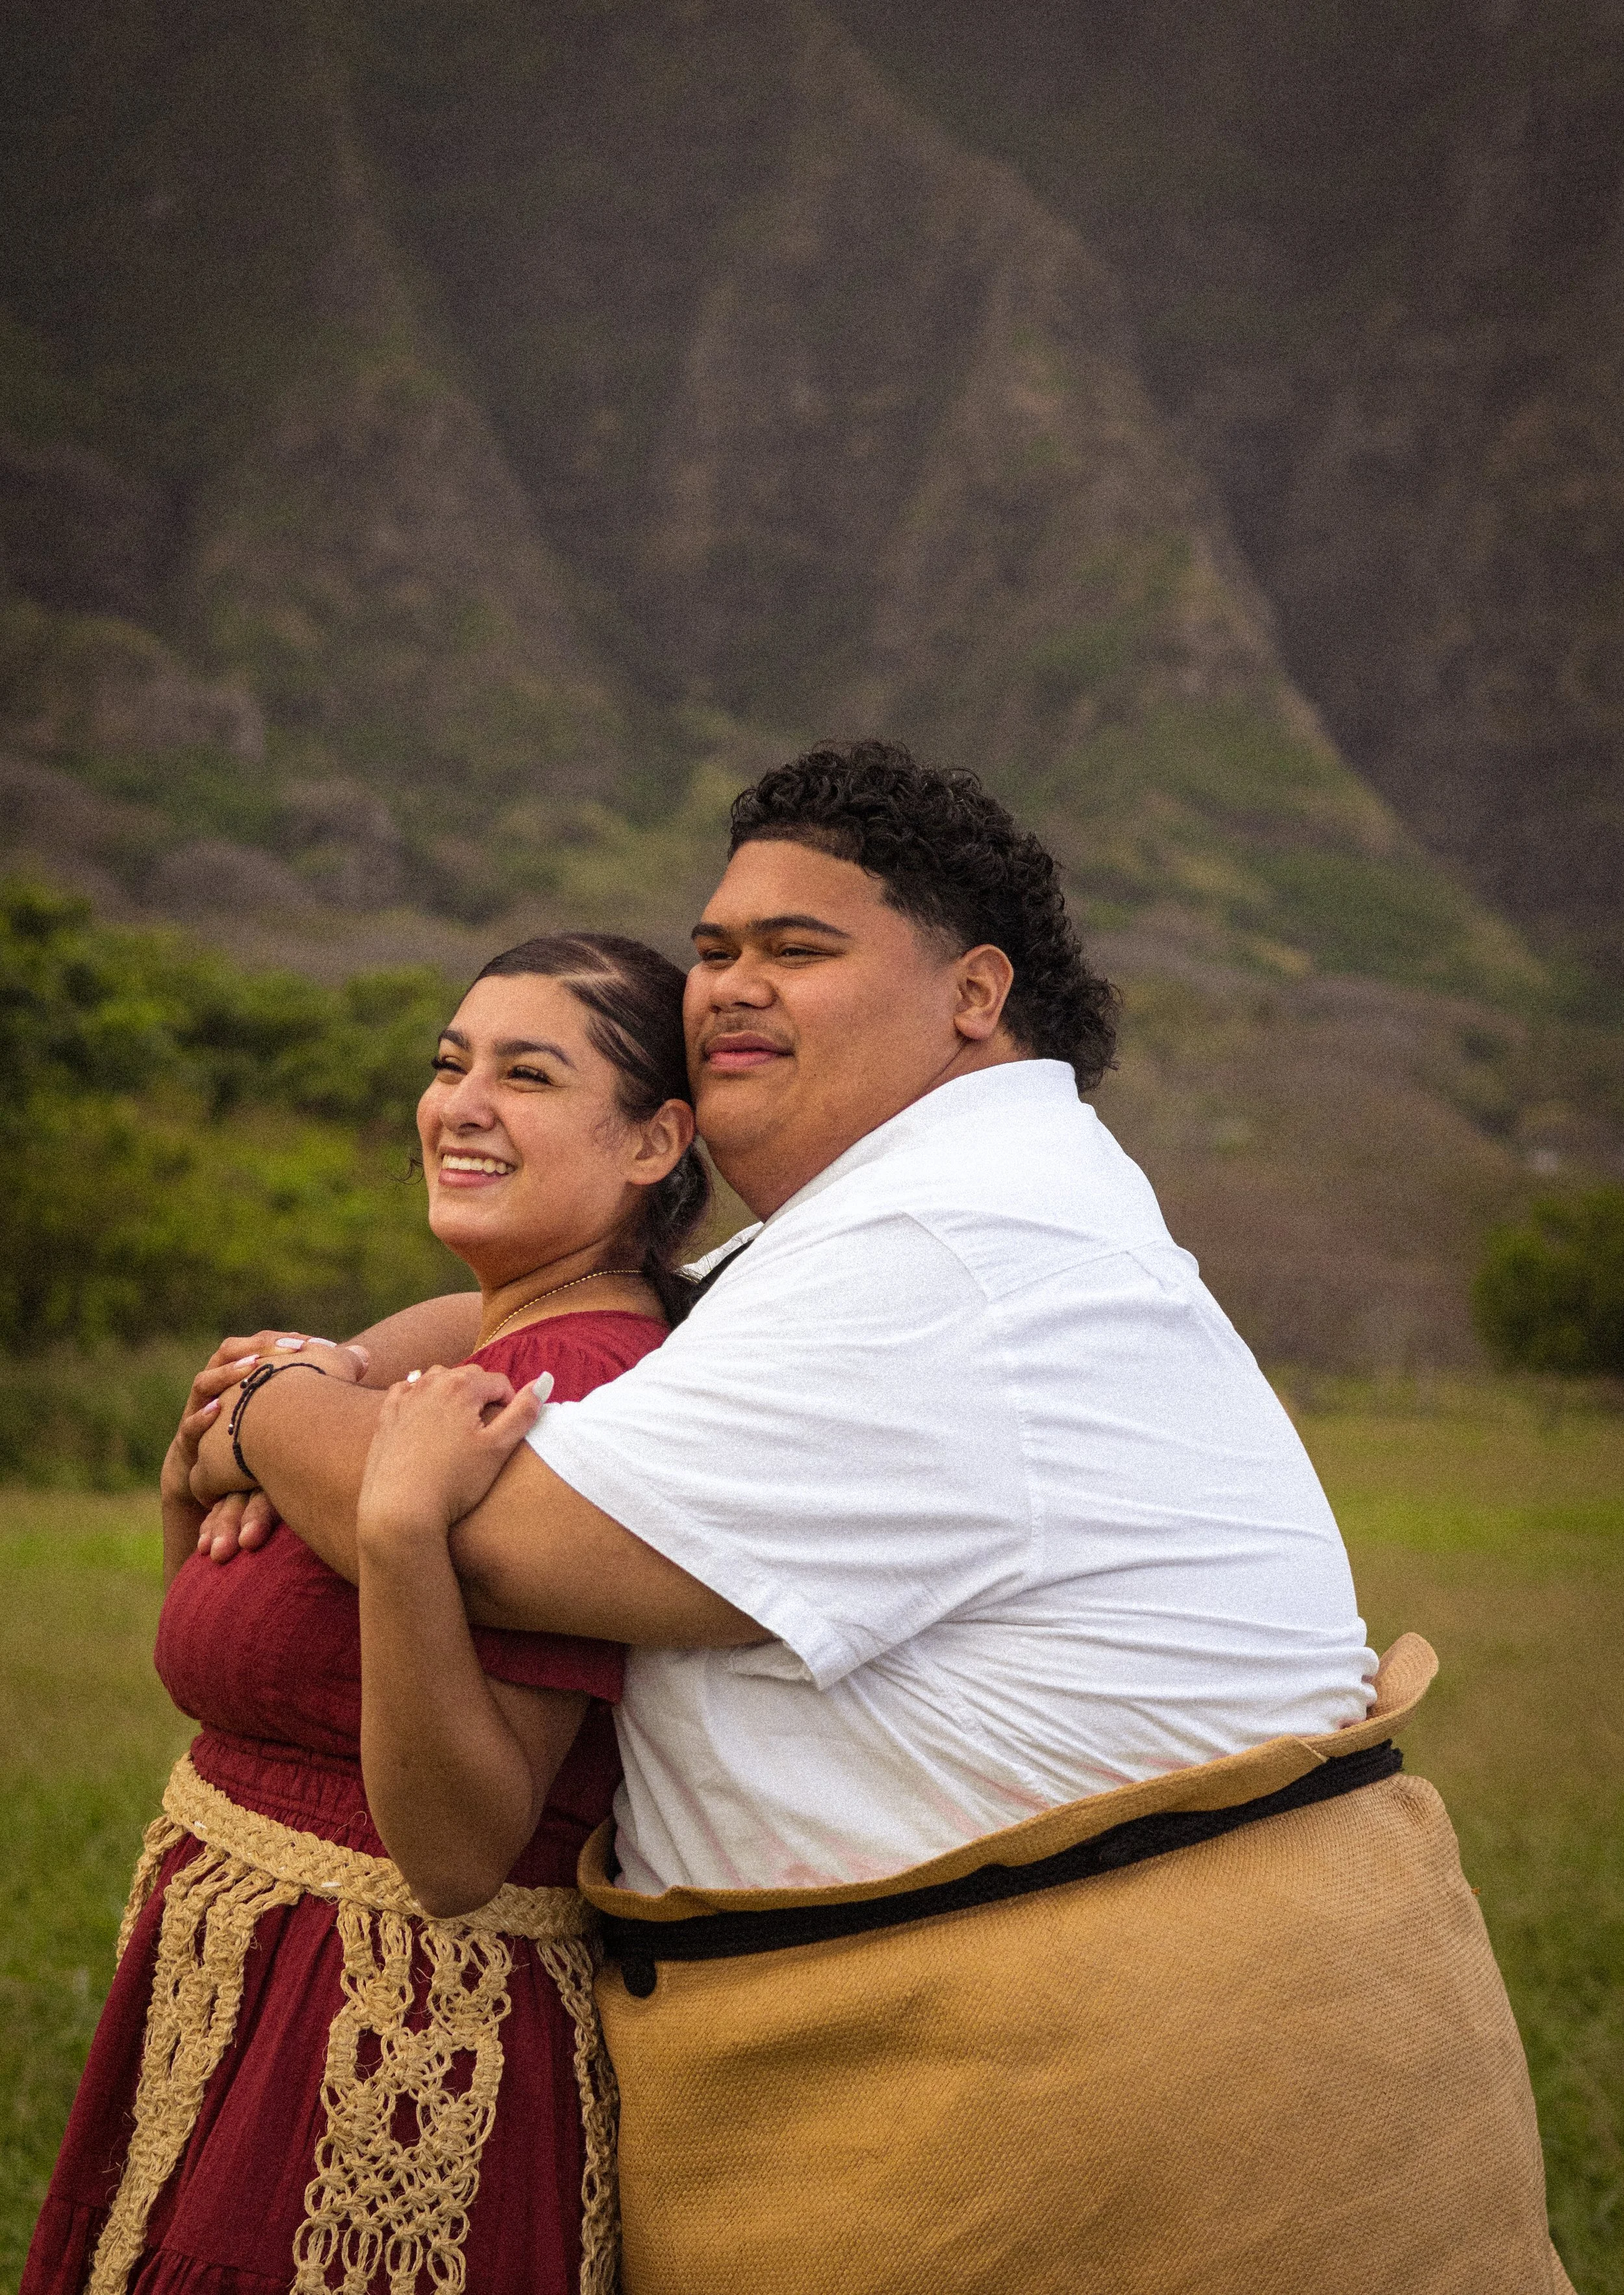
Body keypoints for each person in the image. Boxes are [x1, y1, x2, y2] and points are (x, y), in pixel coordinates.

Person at [188, 744, 1570, 2294]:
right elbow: (599, 1302)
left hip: (1105, 2126)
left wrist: (260, 1412)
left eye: (796, 947)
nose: (725, 985)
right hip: (968, 2099)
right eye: (710, 949)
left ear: (973, 993)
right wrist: (345, 1363)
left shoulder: (946, 1246)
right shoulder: (908, 1219)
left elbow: (513, 1535)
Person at [23, 932, 711, 2295]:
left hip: (388, 2053)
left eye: (527, 1072)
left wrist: (395, 1535)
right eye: (451, 1062)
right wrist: (218, 1461)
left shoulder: (570, 1399)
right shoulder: (460, 1358)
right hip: (240, 2000)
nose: (462, 1100)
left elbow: (458, 1846)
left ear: (652, 1141)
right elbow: (224, 1669)